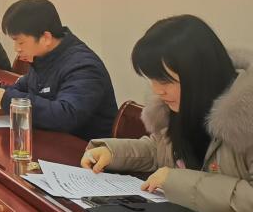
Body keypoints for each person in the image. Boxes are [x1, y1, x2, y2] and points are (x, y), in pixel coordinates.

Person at [81, 15, 252, 212]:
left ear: (199, 75)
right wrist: (113, 153)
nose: (157, 91)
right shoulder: (182, 107)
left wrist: (177, 182)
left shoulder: (246, 118)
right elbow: (160, 151)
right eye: (152, 80)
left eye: (165, 81)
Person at [0, 0, 117, 139]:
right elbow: (23, 87)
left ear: (46, 38)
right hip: (51, 141)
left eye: (21, 42)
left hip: (84, 148)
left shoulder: (84, 67)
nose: (16, 49)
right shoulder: (44, 57)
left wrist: (9, 100)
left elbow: (66, 116)